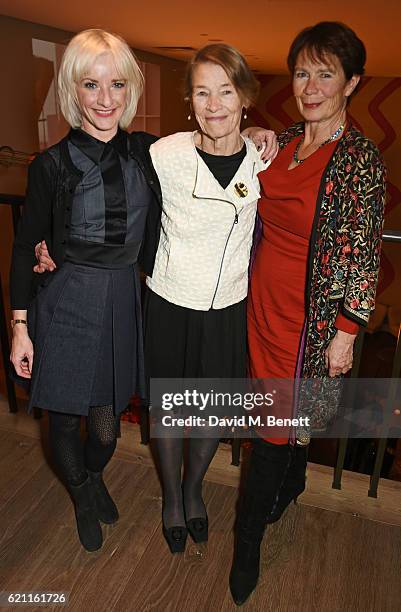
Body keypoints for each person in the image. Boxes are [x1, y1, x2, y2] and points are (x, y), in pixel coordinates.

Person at [29, 42, 278, 554]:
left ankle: (192, 492)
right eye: (202, 93)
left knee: (208, 414)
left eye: (226, 92)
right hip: (167, 300)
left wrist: (263, 134)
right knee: (169, 410)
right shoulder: (163, 152)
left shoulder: (262, 157)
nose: (214, 105)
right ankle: (170, 497)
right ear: (189, 101)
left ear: (245, 97)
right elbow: (92, 188)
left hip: (228, 305)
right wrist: (49, 245)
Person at [229, 21, 386, 605]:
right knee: (278, 426)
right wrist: (253, 131)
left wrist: (347, 332)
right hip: (257, 309)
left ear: (352, 83)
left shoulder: (360, 161)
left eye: (326, 74)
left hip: (307, 327)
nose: (311, 85)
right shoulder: (288, 138)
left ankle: (246, 547)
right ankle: (289, 484)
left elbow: (364, 255)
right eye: (302, 73)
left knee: (271, 432)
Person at [10, 29, 161, 552]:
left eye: (116, 84)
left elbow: (214, 142)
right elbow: (25, 246)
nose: (104, 99)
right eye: (91, 85)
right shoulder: (48, 166)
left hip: (122, 298)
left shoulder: (147, 152)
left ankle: (93, 475)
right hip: (67, 299)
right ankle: (80, 490)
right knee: (65, 414)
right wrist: (20, 328)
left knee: (105, 428)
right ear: (73, 91)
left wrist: (259, 131)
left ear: (130, 90)